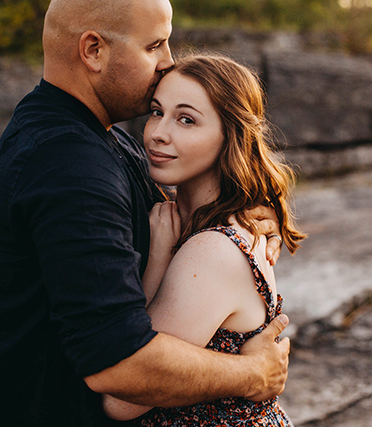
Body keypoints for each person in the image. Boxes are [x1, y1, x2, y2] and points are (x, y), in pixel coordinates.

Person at [0, 0, 290, 426]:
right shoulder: (68, 164)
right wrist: (253, 373)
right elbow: (120, 364)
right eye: (155, 45)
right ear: (93, 51)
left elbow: (179, 213)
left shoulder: (100, 140)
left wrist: (249, 210)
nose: (168, 62)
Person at [102, 54, 306, 425]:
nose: (158, 132)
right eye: (156, 111)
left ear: (231, 134)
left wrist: (158, 258)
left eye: (186, 119)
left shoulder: (212, 250)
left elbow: (124, 400)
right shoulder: (203, 222)